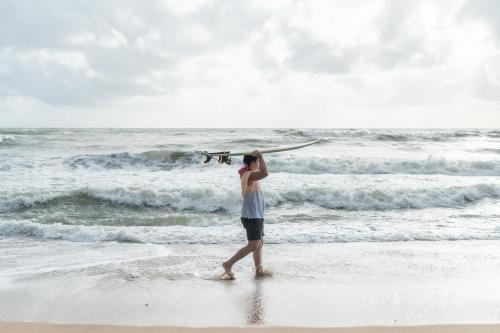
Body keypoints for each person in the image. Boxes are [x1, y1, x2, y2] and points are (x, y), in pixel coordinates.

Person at [222, 150, 271, 279]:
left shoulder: (250, 173)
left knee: (259, 243)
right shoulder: (249, 174)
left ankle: (258, 269)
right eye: (257, 161)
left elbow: (261, 170)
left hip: (256, 215)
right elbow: (265, 173)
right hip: (251, 216)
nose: (259, 163)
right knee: (253, 245)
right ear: (253, 162)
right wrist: (260, 155)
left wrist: (259, 156)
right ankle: (228, 264)